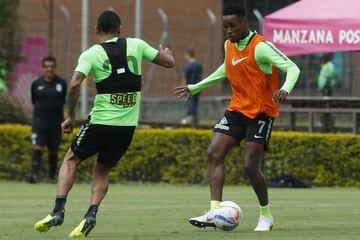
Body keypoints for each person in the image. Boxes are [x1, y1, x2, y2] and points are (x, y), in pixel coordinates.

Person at [34, 10, 175, 238]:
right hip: (127, 126)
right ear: (120, 28)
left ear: (96, 29)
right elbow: (169, 62)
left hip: (100, 121)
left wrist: (70, 116)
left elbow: (74, 84)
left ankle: (58, 211)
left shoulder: (91, 53)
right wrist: (165, 53)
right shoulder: (137, 45)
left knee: (71, 159)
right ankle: (91, 213)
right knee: (102, 168)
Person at [174, 4, 300, 231]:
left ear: (245, 24)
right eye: (225, 27)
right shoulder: (228, 45)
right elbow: (225, 69)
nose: (228, 31)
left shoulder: (261, 47)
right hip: (236, 110)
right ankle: (214, 212)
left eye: (232, 26)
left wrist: (285, 88)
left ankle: (266, 215)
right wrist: (195, 87)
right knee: (214, 153)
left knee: (250, 166)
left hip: (261, 112)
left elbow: (293, 68)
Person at [29, 56, 67, 183]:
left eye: (51, 66)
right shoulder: (36, 83)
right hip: (39, 121)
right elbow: (34, 100)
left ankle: (51, 177)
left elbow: (63, 101)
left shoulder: (61, 83)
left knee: (53, 149)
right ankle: (34, 175)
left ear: (55, 67)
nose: (49, 69)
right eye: (46, 66)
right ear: (43, 68)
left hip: (56, 122)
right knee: (38, 147)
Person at [181, 49, 202, 125]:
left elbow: (185, 78)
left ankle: (190, 118)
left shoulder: (188, 66)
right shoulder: (199, 65)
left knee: (191, 102)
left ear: (188, 55)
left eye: (185, 55)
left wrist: (183, 89)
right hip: (198, 87)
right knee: (195, 102)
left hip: (190, 88)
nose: (185, 57)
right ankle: (195, 118)